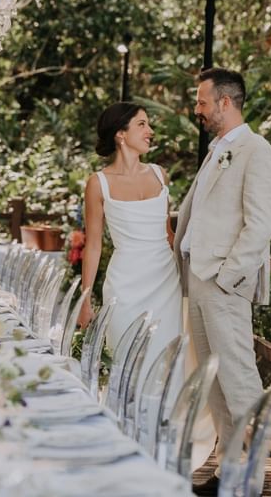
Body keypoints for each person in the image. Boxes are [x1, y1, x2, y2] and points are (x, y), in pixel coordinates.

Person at [174, 67, 271, 496]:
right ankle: (228, 470)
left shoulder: (257, 151)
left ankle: (254, 478)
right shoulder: (219, 148)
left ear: (225, 102)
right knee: (215, 382)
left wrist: (227, 277)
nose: (196, 109)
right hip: (197, 279)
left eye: (201, 101)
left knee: (239, 381)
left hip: (221, 283)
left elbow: (259, 226)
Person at [76, 102, 182, 379]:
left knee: (166, 366)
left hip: (166, 285)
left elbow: (169, 235)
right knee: (124, 364)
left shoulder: (160, 174)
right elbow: (94, 245)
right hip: (125, 286)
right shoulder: (98, 183)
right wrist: (85, 300)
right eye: (142, 124)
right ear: (120, 134)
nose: (151, 131)